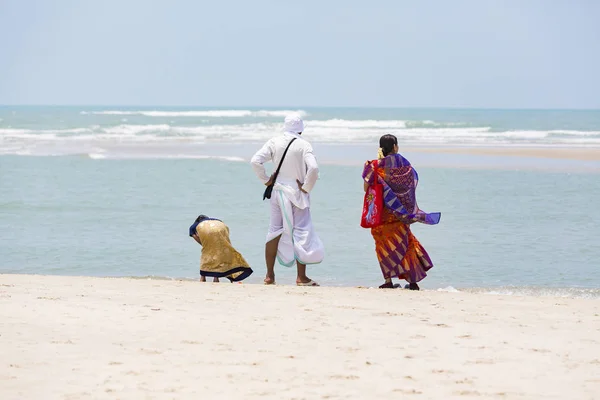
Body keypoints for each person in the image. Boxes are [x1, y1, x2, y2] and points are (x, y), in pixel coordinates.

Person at [250, 113, 324, 286]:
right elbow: (313, 167)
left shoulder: (274, 141)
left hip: (277, 192)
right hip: (297, 194)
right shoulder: (304, 145)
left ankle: (269, 275)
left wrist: (266, 179)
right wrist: (306, 187)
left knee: (274, 230)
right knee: (302, 231)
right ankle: (301, 277)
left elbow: (255, 161)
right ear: (301, 129)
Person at [362, 134, 441, 290]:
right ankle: (412, 282)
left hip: (382, 215)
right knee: (406, 244)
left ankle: (388, 281)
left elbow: (366, 188)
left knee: (383, 246)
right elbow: (410, 186)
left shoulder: (374, 166)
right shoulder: (406, 166)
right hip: (401, 215)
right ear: (396, 147)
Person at [189, 215, 253, 282]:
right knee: (219, 254)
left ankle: (203, 278)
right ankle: (216, 278)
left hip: (207, 230)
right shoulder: (215, 220)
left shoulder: (195, 225)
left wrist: (206, 245)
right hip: (221, 226)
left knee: (206, 255)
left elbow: (195, 237)